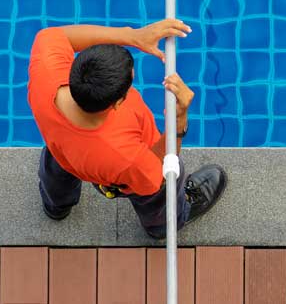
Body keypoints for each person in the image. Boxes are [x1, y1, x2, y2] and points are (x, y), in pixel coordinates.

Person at [27, 18, 227, 238]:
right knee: (160, 194)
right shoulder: (123, 155)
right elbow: (156, 176)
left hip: (62, 149)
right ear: (118, 102)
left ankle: (56, 206)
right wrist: (178, 124)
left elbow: (58, 36)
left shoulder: (46, 72)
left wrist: (132, 36)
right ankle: (161, 225)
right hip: (117, 172)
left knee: (58, 167)